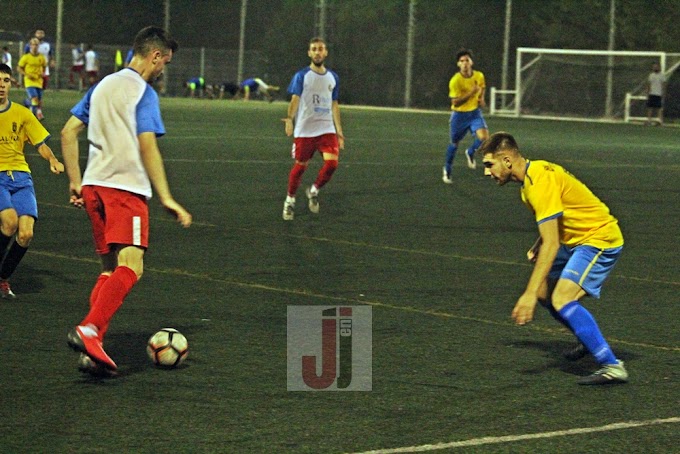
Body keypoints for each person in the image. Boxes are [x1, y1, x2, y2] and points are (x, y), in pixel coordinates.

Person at [61, 26, 192, 377]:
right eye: (165, 61)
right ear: (155, 56)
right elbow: (147, 145)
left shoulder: (102, 85)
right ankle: (90, 329)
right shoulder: (142, 93)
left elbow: (67, 131)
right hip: (124, 189)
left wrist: (76, 182)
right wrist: (166, 196)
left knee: (108, 269)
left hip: (93, 188)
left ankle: (93, 348)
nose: (164, 68)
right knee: (131, 267)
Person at [479, 131, 628, 386]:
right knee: (544, 292)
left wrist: (526, 294)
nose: (486, 172)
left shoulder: (538, 184)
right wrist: (538, 245)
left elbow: (552, 243)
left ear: (506, 160)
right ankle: (585, 339)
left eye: (489, 164)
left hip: (599, 239)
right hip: (575, 239)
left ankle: (612, 366)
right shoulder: (530, 181)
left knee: (560, 298)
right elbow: (556, 221)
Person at [0, 63, 64, 298]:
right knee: (9, 222)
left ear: (11, 84)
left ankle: (3, 278)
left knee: (26, 234)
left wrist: (52, 160)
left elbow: (40, 144)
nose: (1, 85)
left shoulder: (22, 114)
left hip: (21, 177)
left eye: (6, 80)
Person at [281, 37, 344, 221]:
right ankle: (289, 201)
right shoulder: (302, 76)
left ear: (326, 53)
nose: (317, 52)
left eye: (320, 49)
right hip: (306, 130)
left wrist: (339, 130)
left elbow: (334, 104)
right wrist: (290, 119)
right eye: (314, 49)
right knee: (300, 167)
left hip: (326, 128)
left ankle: (314, 190)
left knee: (332, 164)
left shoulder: (333, 77)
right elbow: (295, 99)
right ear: (309, 53)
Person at [443, 48, 488, 184]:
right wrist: (472, 92)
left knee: (484, 138)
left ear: (471, 62)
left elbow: (482, 87)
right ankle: (447, 169)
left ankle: (470, 151)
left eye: (467, 60)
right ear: (458, 64)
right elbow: (455, 102)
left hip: (474, 113)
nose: (464, 63)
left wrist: (481, 98)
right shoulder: (455, 81)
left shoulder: (479, 76)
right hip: (459, 116)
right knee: (454, 144)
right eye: (461, 61)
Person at [17, 38, 46, 120]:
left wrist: (42, 73)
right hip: (29, 81)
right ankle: (32, 116)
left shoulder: (41, 57)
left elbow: (44, 66)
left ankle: (27, 102)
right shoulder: (26, 57)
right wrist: (26, 74)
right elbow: (19, 68)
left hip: (38, 81)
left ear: (38, 46)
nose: (35, 46)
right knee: (35, 98)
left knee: (39, 100)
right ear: (30, 46)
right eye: (33, 45)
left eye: (36, 45)